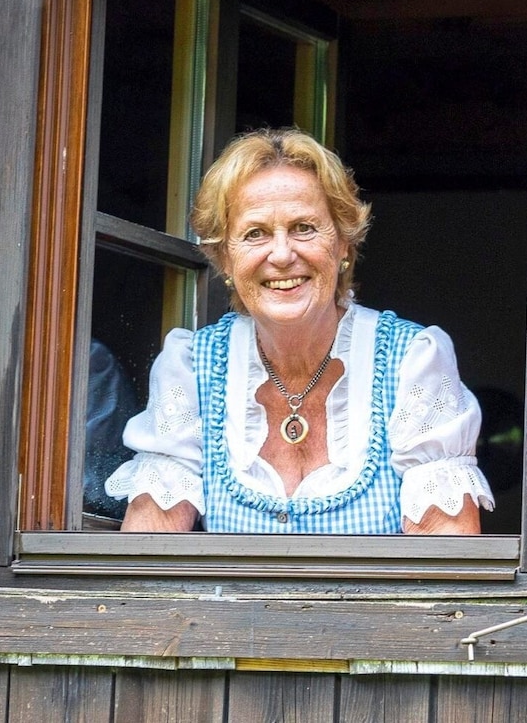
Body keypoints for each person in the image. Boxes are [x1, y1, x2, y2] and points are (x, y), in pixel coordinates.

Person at [105, 128, 494, 533]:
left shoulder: (412, 362)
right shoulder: (190, 368)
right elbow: (150, 554)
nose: (282, 254)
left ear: (344, 243)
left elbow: (443, 563)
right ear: (223, 256)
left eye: (303, 228)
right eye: (255, 233)